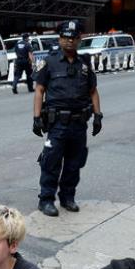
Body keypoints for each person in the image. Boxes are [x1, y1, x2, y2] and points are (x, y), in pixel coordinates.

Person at [32, 20, 103, 217]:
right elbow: (39, 90)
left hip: (79, 123)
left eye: (74, 38)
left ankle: (67, 197)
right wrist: (36, 117)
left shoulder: (85, 64)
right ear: (59, 39)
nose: (70, 41)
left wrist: (98, 116)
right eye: (66, 38)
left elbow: (93, 91)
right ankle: (46, 200)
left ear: (80, 40)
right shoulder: (49, 61)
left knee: (74, 163)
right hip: (57, 124)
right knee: (51, 162)